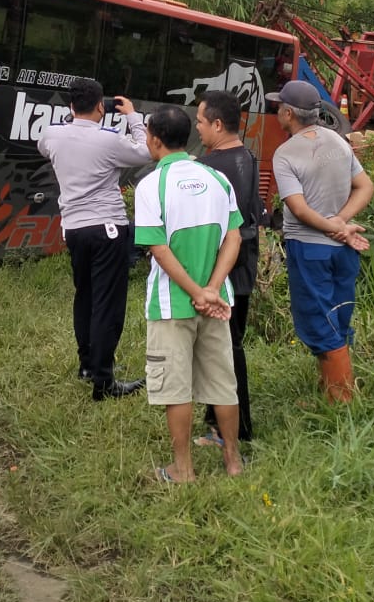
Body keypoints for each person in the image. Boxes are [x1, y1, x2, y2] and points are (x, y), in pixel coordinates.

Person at [134, 104, 245, 484]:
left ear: (154, 139)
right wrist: (212, 289)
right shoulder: (217, 179)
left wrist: (195, 291)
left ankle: (183, 469)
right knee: (222, 382)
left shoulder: (151, 185)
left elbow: (158, 249)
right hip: (218, 303)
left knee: (175, 386)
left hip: (171, 304)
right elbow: (234, 236)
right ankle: (233, 461)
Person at [37, 77, 150, 401]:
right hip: (107, 228)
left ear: (70, 106)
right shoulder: (109, 140)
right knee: (107, 305)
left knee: (84, 296)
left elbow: (45, 147)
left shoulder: (52, 135)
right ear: (101, 105)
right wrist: (132, 116)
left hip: (73, 230)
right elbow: (144, 152)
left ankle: (87, 365)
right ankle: (104, 380)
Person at [269, 80, 374, 402]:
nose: (276, 111)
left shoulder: (285, 153)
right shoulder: (339, 141)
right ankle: (333, 385)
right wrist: (342, 224)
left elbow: (298, 209)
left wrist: (334, 227)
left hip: (310, 248)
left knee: (319, 320)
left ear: (289, 113)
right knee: (339, 317)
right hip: (343, 250)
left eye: (279, 107)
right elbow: (365, 187)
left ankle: (341, 401)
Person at [194, 90, 268, 446]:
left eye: (201, 122)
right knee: (226, 347)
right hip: (243, 268)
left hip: (220, 272)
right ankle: (217, 422)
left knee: (225, 351)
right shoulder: (249, 158)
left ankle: (236, 430)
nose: (199, 128)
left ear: (218, 124)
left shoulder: (208, 167)